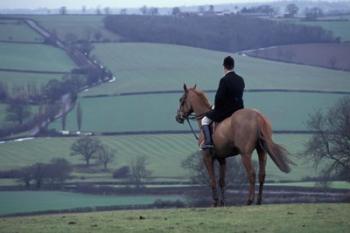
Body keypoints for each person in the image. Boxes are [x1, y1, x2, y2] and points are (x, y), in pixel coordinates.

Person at [201, 56, 245, 149]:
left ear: (224, 67)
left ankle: (208, 142)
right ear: (233, 66)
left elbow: (219, 97)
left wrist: (215, 107)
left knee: (204, 120)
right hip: (239, 110)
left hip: (226, 111)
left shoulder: (224, 80)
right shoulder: (240, 79)